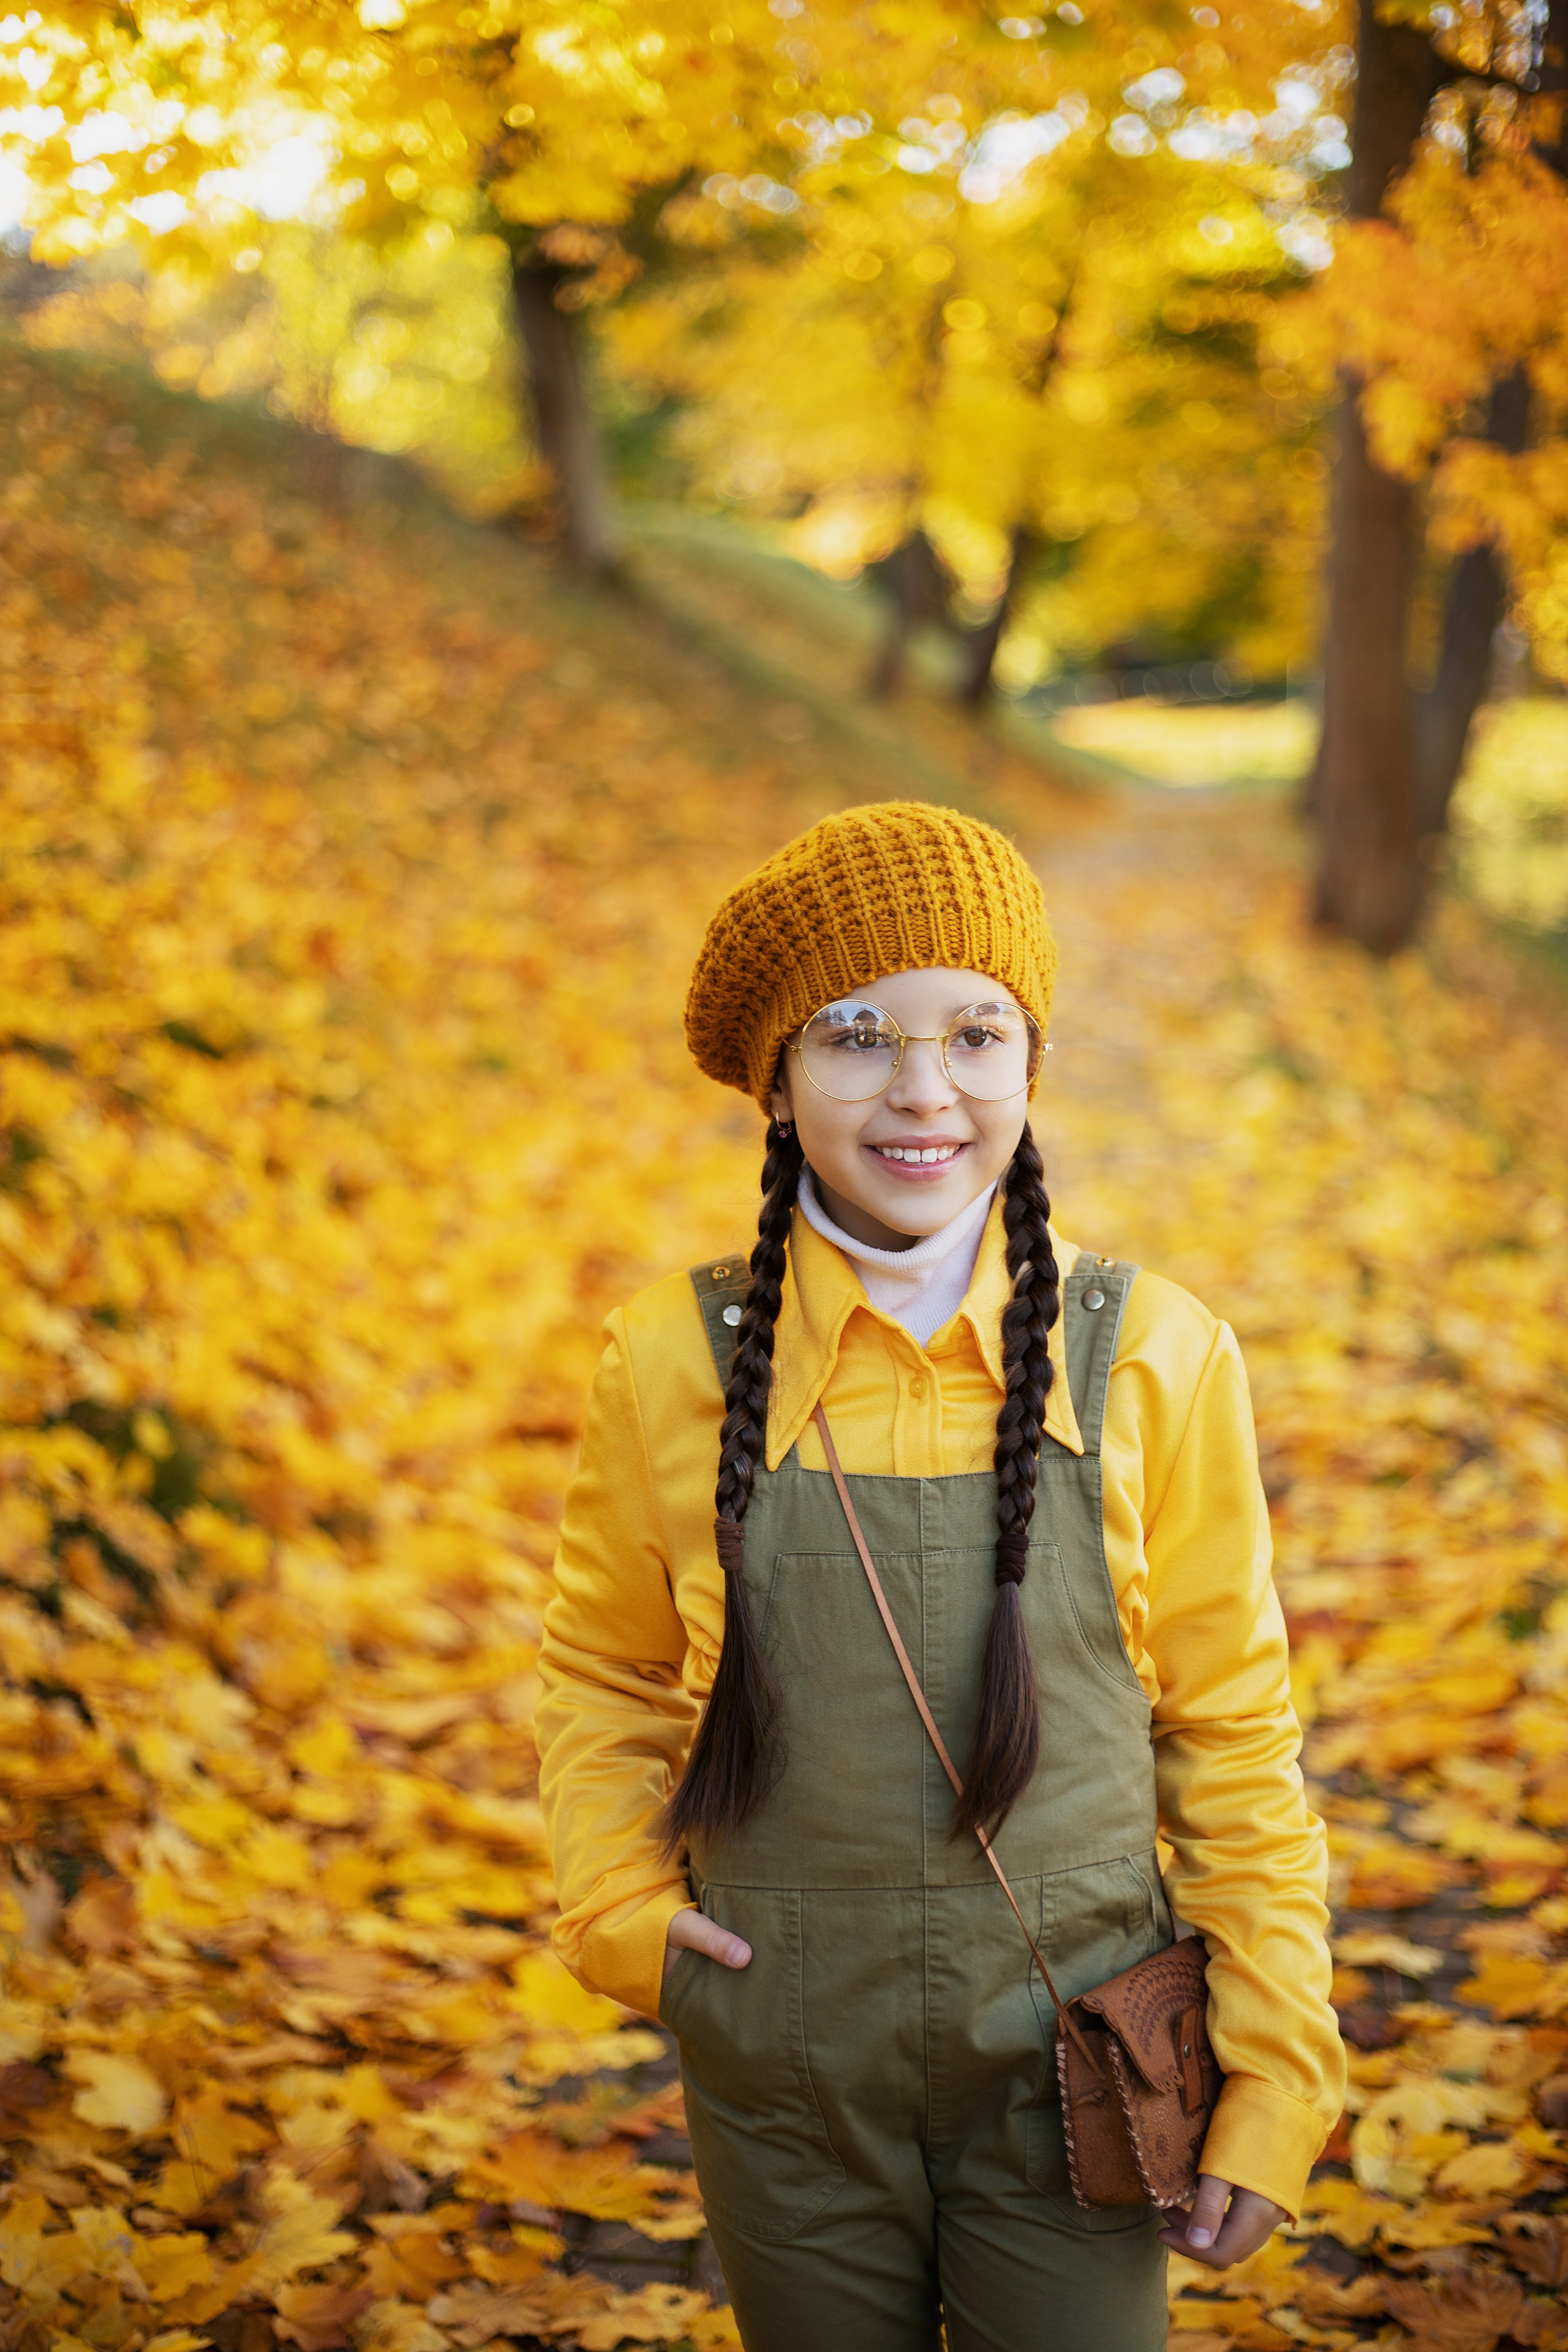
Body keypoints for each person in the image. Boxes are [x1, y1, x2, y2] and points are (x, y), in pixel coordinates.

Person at [537, 802, 1344, 2352]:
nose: (923, 1090)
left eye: (976, 1034)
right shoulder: (666, 1360)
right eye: (854, 1036)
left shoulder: (1157, 1356)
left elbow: (1234, 1734)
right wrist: (620, 1914)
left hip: (1074, 2062)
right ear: (774, 1083)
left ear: (1030, 1066)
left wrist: (1273, 2067)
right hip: (779, 2066)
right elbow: (601, 1669)